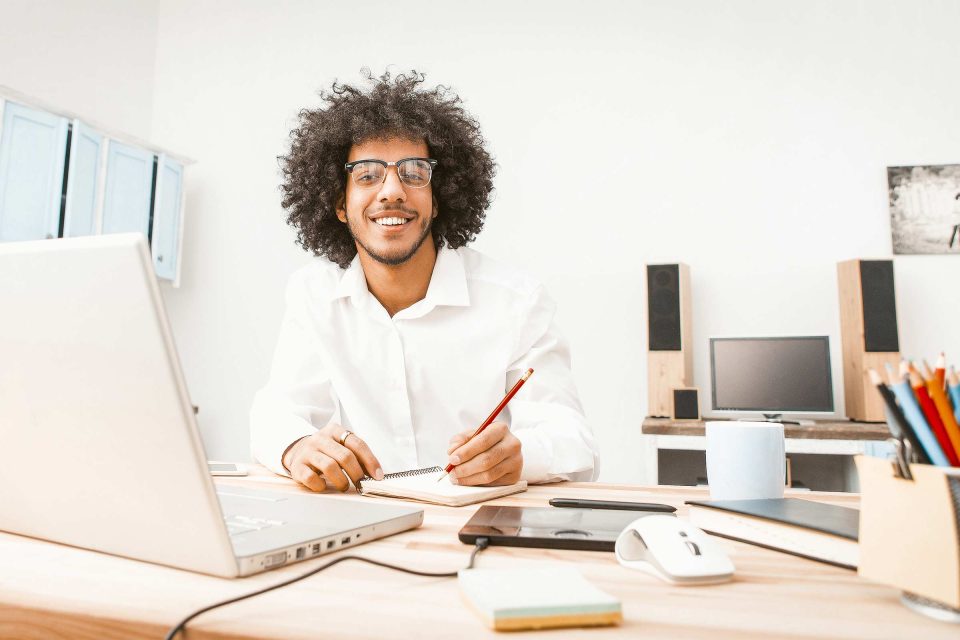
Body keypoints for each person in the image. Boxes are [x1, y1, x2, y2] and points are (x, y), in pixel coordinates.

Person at [250, 70, 598, 492]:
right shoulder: (314, 294)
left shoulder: (517, 302)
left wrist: (521, 455)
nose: (391, 191)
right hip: (365, 522)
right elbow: (276, 413)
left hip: (482, 521)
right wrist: (297, 446)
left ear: (438, 200)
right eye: (367, 175)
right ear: (340, 204)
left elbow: (575, 443)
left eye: (414, 173)